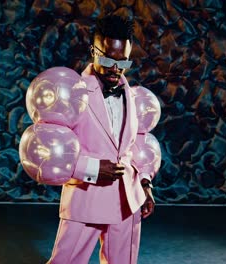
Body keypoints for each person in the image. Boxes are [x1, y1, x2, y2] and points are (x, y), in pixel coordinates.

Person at [47, 14, 156, 264]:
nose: (115, 69)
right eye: (107, 59)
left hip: (128, 203)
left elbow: (135, 145)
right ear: (93, 51)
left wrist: (145, 184)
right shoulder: (71, 93)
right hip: (86, 200)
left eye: (123, 62)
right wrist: (94, 168)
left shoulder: (132, 94)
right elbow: (52, 151)